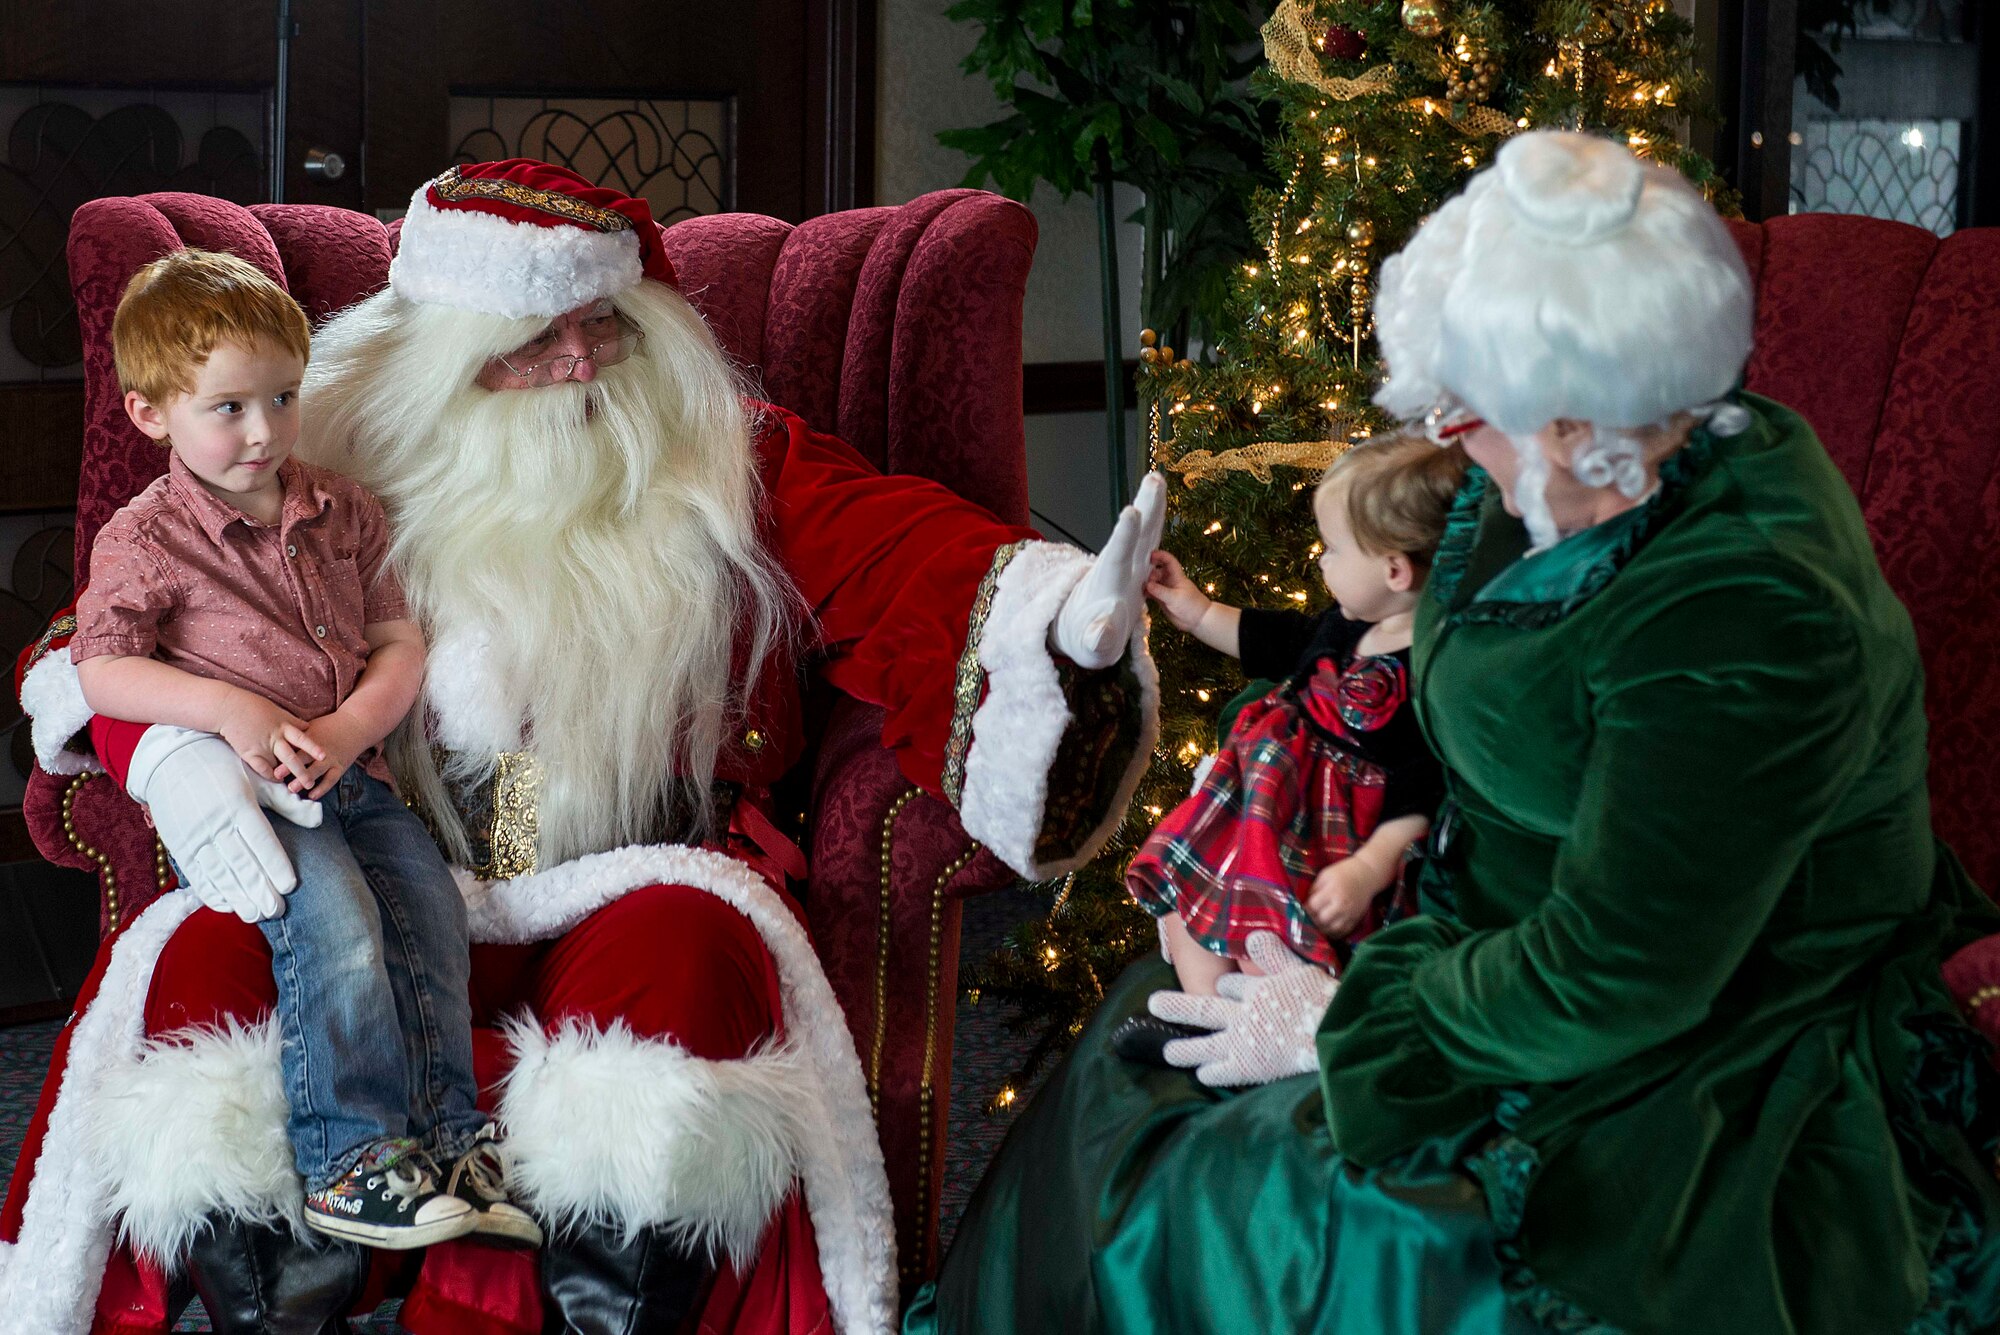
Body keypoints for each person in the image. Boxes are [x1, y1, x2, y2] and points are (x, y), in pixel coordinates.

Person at [4, 161, 1165, 1334]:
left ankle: (574, 1299)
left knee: (684, 960)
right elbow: (101, 637)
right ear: (442, 355)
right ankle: (285, 1281)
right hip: (378, 841)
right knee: (209, 960)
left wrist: (1053, 615)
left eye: (602, 326)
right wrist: (170, 752)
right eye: (530, 338)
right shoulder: (317, 456)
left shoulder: (720, 458)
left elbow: (902, 556)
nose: (576, 363)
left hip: (634, 856)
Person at [907, 130, 2000, 1335]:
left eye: (1467, 407)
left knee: (1277, 1205)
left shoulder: (1749, 610)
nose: (1443, 434)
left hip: (1700, 1036)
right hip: (1463, 936)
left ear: (1580, 416)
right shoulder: (1536, 476)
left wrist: (1346, 1026)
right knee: (1139, 1061)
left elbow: (1618, 970)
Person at [73, 249, 532, 1253]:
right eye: (230, 408)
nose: (265, 430)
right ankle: (350, 1158)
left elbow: (399, 641)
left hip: (374, 774)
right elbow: (100, 669)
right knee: (343, 930)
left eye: (284, 398)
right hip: (265, 793)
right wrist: (227, 710)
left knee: (432, 917)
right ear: (152, 413)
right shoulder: (145, 539)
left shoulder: (343, 507)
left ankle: (451, 1137)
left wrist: (352, 727)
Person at [1123, 435, 1462, 1028]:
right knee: (1184, 899)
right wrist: (1197, 611)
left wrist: (1369, 869)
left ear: (1394, 570)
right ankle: (1209, 1015)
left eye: (1333, 549)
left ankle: (1262, 1021)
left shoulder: (1434, 669)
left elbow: (1422, 786)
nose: (1322, 561)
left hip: (1326, 843)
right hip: (1263, 811)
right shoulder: (1350, 621)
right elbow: (1275, 639)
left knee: (1268, 944)